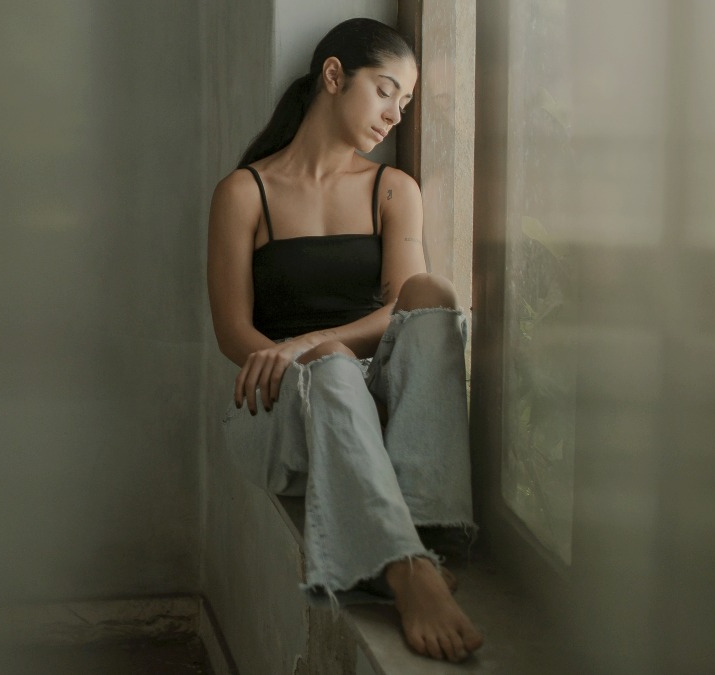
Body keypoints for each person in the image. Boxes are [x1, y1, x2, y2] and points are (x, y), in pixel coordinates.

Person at [206, 18, 484, 663]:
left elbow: (402, 308)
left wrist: (312, 341)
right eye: (386, 91)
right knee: (330, 364)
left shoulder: (392, 189)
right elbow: (233, 334)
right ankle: (406, 568)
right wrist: (307, 357)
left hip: (374, 397)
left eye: (406, 104)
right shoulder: (245, 192)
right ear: (334, 76)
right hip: (275, 410)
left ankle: (426, 525)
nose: (394, 115)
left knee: (433, 293)